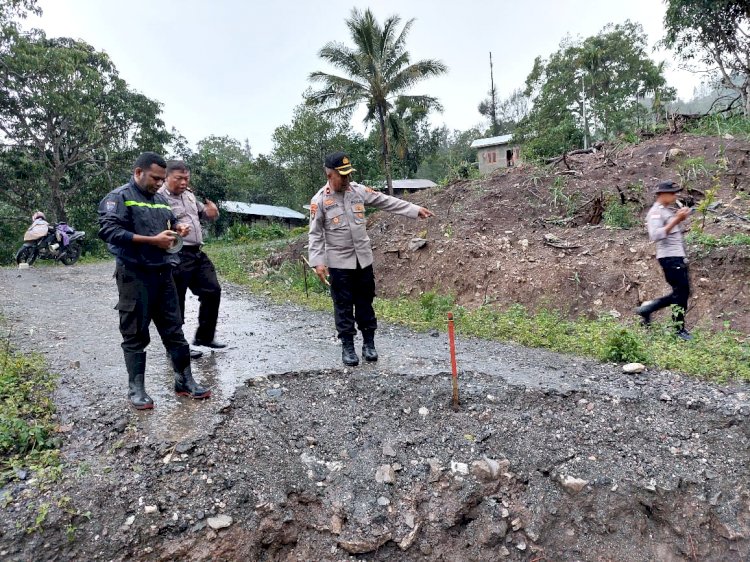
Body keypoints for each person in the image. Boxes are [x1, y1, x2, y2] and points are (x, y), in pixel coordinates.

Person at [98, 152, 211, 410]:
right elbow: (108, 231)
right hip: (134, 275)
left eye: (162, 179)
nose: (159, 183)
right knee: (135, 333)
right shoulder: (119, 198)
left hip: (164, 272)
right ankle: (136, 388)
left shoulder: (161, 201)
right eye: (155, 178)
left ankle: (184, 381)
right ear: (138, 172)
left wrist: (176, 231)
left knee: (174, 329)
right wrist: (151, 241)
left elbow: (166, 227)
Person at [309, 151, 434, 366]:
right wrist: (318, 262)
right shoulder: (320, 200)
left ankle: (369, 343)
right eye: (342, 175)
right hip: (339, 264)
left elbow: (386, 201)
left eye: (349, 174)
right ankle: (348, 346)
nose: (347, 179)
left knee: (366, 303)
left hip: (363, 261)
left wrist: (414, 209)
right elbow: (315, 233)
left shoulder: (358, 191)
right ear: (329, 174)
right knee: (343, 306)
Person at [158, 160, 225, 356]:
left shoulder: (189, 195)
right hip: (175, 253)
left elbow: (203, 213)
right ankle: (176, 348)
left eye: (186, 178)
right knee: (176, 300)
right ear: (167, 177)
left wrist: (211, 213)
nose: (183, 182)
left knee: (213, 290)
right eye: (179, 178)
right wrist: (173, 229)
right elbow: (154, 225)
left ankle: (205, 337)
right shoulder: (159, 197)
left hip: (196, 252)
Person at [636, 180, 692, 340]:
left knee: (682, 292)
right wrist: (676, 220)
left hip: (676, 257)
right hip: (669, 258)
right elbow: (655, 235)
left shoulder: (667, 211)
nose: (675, 196)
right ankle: (677, 329)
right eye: (672, 193)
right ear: (662, 194)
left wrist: (680, 217)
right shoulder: (655, 212)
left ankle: (650, 310)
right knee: (681, 292)